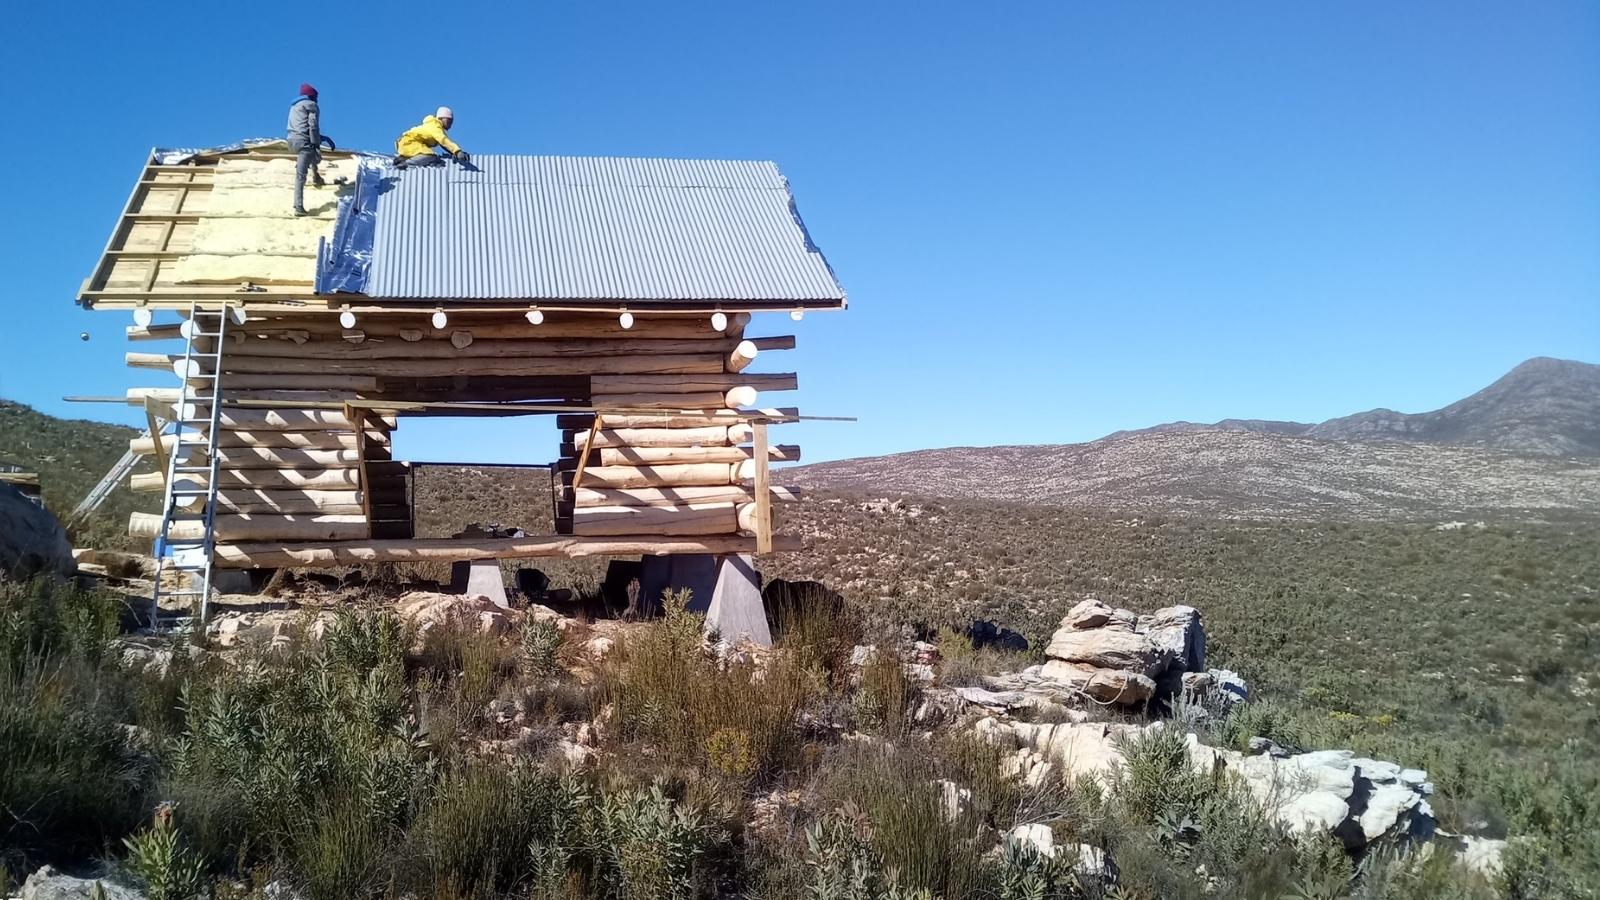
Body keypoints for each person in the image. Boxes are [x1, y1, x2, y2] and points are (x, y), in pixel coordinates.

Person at [286, 83, 335, 215]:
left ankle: (316, 177)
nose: (317, 100)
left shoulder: (294, 107)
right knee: (301, 175)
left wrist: (323, 139)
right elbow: (313, 127)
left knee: (311, 152)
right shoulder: (312, 106)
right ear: (312, 96)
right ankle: (298, 206)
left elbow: (300, 127)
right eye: (316, 97)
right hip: (304, 143)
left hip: (292, 141)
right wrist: (316, 143)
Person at [395, 107, 470, 168]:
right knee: (430, 156)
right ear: (440, 118)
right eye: (448, 120)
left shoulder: (437, 128)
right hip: (409, 142)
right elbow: (443, 140)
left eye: (451, 121)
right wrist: (457, 151)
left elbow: (444, 145)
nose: (450, 124)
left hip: (406, 142)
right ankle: (406, 164)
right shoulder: (434, 126)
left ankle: (401, 159)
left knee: (426, 154)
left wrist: (456, 153)